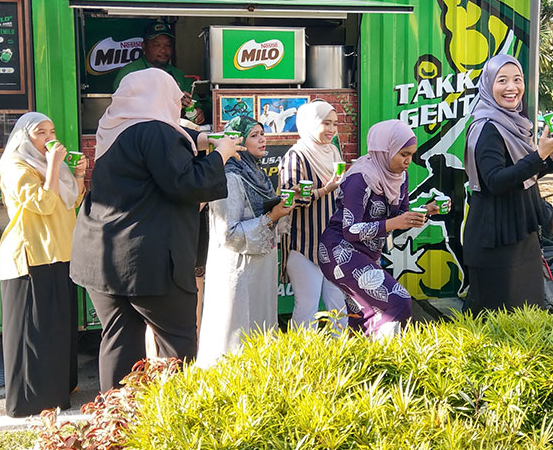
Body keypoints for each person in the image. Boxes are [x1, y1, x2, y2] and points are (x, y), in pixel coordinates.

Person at [70, 69, 239, 392]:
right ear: (160, 98)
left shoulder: (111, 128)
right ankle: (169, 427)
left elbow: (155, 157)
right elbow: (186, 182)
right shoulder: (158, 132)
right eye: (177, 100)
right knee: (177, 344)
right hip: (146, 260)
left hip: (99, 257)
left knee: (119, 340)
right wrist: (221, 154)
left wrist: (199, 139)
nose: (179, 108)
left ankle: (117, 427)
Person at [0, 112, 86, 417]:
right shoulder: (14, 166)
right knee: (33, 333)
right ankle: (31, 401)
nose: (49, 138)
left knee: (58, 329)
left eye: (52, 131)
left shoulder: (48, 167)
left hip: (60, 252)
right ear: (24, 136)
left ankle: (58, 393)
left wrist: (78, 176)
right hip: (30, 256)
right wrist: (56, 167)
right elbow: (44, 204)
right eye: (40, 133)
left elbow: (69, 201)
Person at [462, 55, 553, 314]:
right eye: (502, 80)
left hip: (519, 232)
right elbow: (496, 182)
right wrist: (539, 156)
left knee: (526, 311)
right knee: (497, 317)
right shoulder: (487, 129)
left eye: (517, 80)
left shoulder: (515, 124)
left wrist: (550, 160)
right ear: (488, 85)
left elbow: (521, 178)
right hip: (496, 238)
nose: (512, 87)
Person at [318, 119, 433, 339]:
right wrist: (393, 224)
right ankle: (390, 359)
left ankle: (362, 366)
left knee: (363, 316)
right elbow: (350, 230)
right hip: (340, 252)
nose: (409, 161)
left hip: (367, 254)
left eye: (411, 154)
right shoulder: (360, 178)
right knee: (398, 300)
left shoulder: (399, 176)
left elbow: (398, 216)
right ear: (384, 150)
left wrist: (423, 213)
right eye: (403, 155)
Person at [196, 116, 293, 366]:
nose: (262, 138)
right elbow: (227, 233)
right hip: (238, 270)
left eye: (262, 133)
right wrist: (272, 216)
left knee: (260, 325)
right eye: (254, 135)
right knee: (238, 330)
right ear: (238, 142)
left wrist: (278, 211)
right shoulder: (229, 177)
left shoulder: (256, 173)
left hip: (260, 266)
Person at [279, 100, 347, 330]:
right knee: (307, 308)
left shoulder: (333, 152)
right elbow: (290, 201)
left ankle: (341, 358)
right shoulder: (296, 156)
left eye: (335, 124)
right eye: (326, 123)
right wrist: (324, 189)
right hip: (305, 245)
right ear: (310, 123)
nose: (331, 129)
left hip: (333, 243)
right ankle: (301, 358)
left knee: (338, 306)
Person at [113, 21, 206, 125]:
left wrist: (196, 113)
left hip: (174, 133)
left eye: (168, 45)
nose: (163, 50)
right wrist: (172, 101)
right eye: (157, 45)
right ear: (144, 46)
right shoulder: (130, 73)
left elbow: (195, 108)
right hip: (140, 133)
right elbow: (122, 109)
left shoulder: (181, 76)